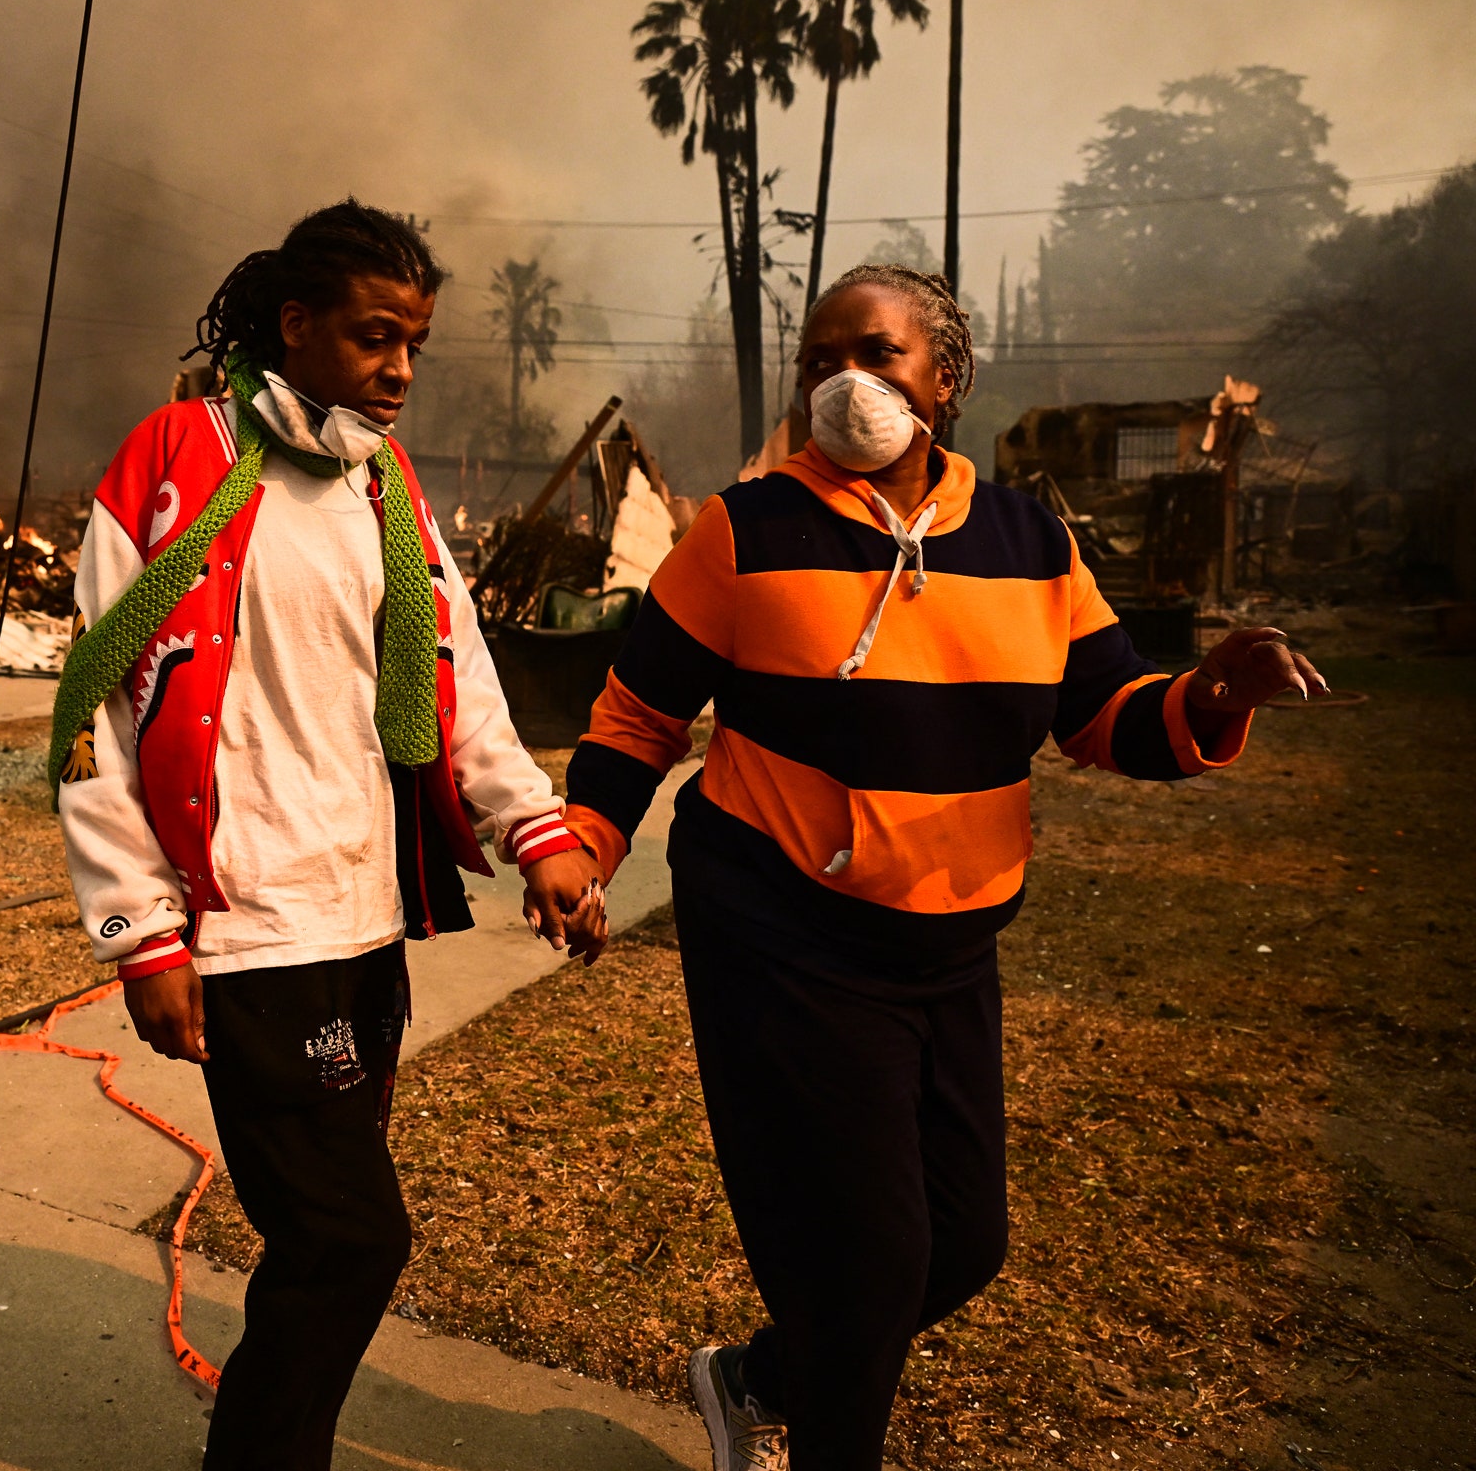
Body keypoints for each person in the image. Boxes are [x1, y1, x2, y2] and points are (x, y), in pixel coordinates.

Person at [560, 264, 1327, 1471]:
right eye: (820, 358)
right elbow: (638, 713)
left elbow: (1105, 714)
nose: (841, 380)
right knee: (866, 1274)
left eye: (876, 352)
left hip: (950, 943)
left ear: (948, 379)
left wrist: (1210, 691)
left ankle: (753, 1375)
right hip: (786, 937)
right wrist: (590, 843)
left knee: (963, 1245)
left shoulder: (1028, 540)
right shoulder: (747, 529)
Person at [50, 199, 606, 1470]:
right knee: (353, 1240)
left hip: (363, 925)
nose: (399, 369)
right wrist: (141, 933)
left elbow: (454, 680)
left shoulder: (380, 484)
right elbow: (95, 715)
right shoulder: (172, 458)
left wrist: (539, 829)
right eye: (372, 337)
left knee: (322, 1242)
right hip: (246, 930)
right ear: (295, 327)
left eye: (414, 341)